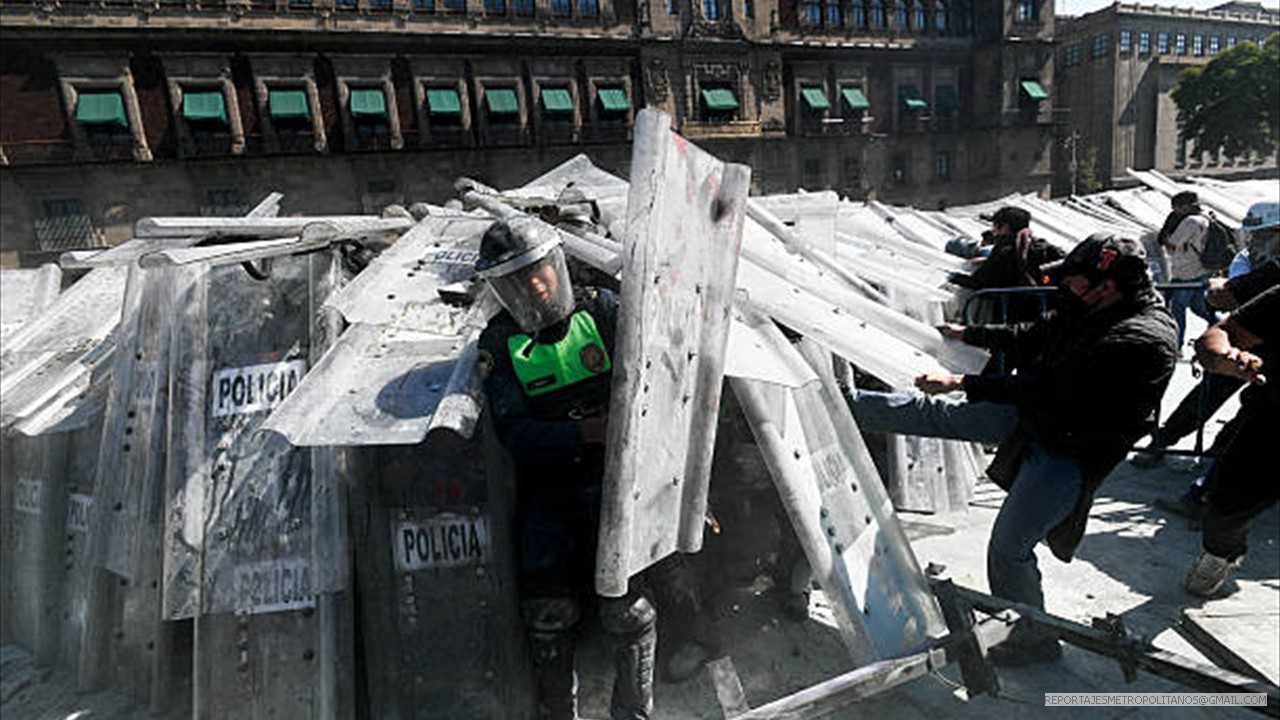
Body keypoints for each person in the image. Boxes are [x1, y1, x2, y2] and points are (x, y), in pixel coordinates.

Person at [849, 234, 1178, 666]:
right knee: (936, 414)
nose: (1068, 288)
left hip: (1070, 450)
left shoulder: (1141, 339)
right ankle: (844, 403)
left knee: (1009, 547)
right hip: (1040, 418)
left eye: (1076, 280)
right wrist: (969, 333)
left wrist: (963, 382)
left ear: (1108, 285)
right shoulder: (1093, 305)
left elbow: (1051, 387)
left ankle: (1034, 638)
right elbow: (1037, 335)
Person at [475, 217, 705, 720]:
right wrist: (586, 432)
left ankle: (635, 711)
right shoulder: (499, 344)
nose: (534, 285)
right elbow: (516, 433)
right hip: (550, 491)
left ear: (556, 267)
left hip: (619, 483)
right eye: (518, 279)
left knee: (629, 608)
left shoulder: (600, 310)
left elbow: (660, 383)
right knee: (548, 616)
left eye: (539, 272)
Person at [1184, 284, 1279, 597]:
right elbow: (1219, 334)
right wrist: (1225, 357)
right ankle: (1220, 555)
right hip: (1270, 428)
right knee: (1224, 511)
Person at [948, 206, 1064, 325]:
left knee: (965, 292)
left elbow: (984, 281)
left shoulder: (1005, 248)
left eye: (995, 226)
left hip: (1011, 311)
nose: (993, 230)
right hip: (1041, 306)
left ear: (1004, 227)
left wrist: (955, 278)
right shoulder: (1038, 246)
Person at [1159, 191, 1218, 349]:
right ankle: (1222, 326)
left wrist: (1166, 235)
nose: (1175, 211)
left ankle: (1176, 346)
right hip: (1203, 269)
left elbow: (1172, 242)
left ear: (1185, 206)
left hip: (1187, 272)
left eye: (1176, 208)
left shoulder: (1190, 221)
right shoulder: (1207, 216)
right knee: (1198, 306)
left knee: (1177, 308)